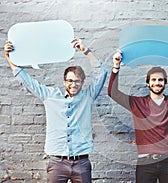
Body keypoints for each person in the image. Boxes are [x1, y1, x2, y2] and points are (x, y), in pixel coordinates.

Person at [4, 37, 107, 183]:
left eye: (77, 81)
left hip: (81, 163)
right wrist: (8, 57)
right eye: (70, 81)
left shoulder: (88, 96)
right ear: (64, 81)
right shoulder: (50, 96)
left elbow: (101, 72)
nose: (73, 84)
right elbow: (27, 81)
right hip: (57, 163)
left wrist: (86, 51)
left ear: (83, 82)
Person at [108, 50, 168, 183]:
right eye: (153, 80)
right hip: (145, 163)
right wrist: (116, 66)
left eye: (160, 80)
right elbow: (113, 92)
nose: (157, 83)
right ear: (148, 83)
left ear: (165, 83)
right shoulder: (137, 104)